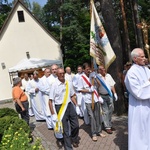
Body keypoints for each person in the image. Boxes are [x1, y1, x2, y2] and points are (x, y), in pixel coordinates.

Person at [124, 48, 150, 150]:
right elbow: (138, 92)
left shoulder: (146, 69)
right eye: (142, 57)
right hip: (139, 107)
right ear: (135, 59)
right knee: (140, 132)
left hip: (148, 105)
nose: (145, 58)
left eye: (144, 56)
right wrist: (149, 82)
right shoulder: (131, 73)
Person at [49, 68, 79, 149]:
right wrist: (53, 114)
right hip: (60, 107)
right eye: (60, 74)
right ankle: (68, 147)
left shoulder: (68, 83)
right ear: (57, 75)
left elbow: (72, 95)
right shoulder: (54, 85)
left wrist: (76, 105)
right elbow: (50, 101)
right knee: (65, 129)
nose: (62, 75)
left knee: (76, 125)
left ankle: (74, 139)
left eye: (63, 73)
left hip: (69, 105)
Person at [78, 63, 105, 142]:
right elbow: (80, 89)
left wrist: (95, 78)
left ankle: (99, 131)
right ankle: (93, 134)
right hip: (88, 99)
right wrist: (89, 90)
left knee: (98, 116)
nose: (89, 70)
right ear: (83, 69)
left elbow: (99, 85)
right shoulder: (81, 78)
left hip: (95, 98)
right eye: (87, 69)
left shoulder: (93, 76)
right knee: (92, 117)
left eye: (89, 68)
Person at [97, 65, 118, 134]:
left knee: (111, 109)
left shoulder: (108, 75)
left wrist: (114, 93)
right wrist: (98, 96)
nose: (103, 70)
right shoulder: (97, 77)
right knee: (105, 111)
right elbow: (96, 88)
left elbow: (112, 85)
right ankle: (107, 127)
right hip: (102, 96)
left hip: (109, 95)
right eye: (101, 69)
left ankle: (109, 123)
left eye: (104, 68)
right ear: (99, 70)